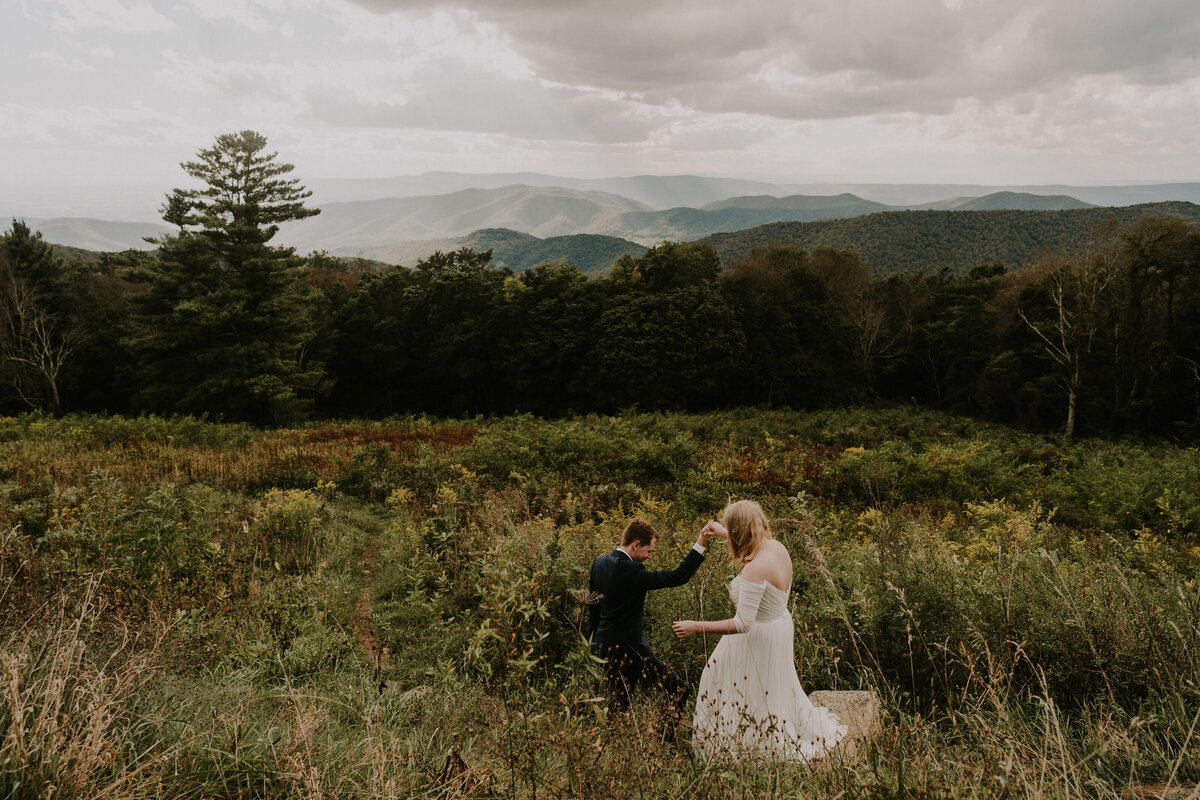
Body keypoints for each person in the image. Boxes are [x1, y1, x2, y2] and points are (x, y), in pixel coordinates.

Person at [672, 500, 846, 761]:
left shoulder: (755, 569)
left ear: (740, 530)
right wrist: (724, 532)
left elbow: (742, 623)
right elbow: (752, 539)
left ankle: (749, 746)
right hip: (778, 625)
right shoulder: (776, 548)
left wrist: (697, 626)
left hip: (757, 637)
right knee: (769, 687)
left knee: (735, 685)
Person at [589, 517, 726, 731]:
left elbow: (593, 605)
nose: (649, 557)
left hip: (604, 645)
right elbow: (678, 576)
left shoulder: (599, 562)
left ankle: (611, 744)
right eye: (649, 552)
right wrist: (700, 541)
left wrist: (594, 642)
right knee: (678, 688)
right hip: (632, 650)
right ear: (636, 545)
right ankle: (665, 740)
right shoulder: (632, 571)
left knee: (618, 704)